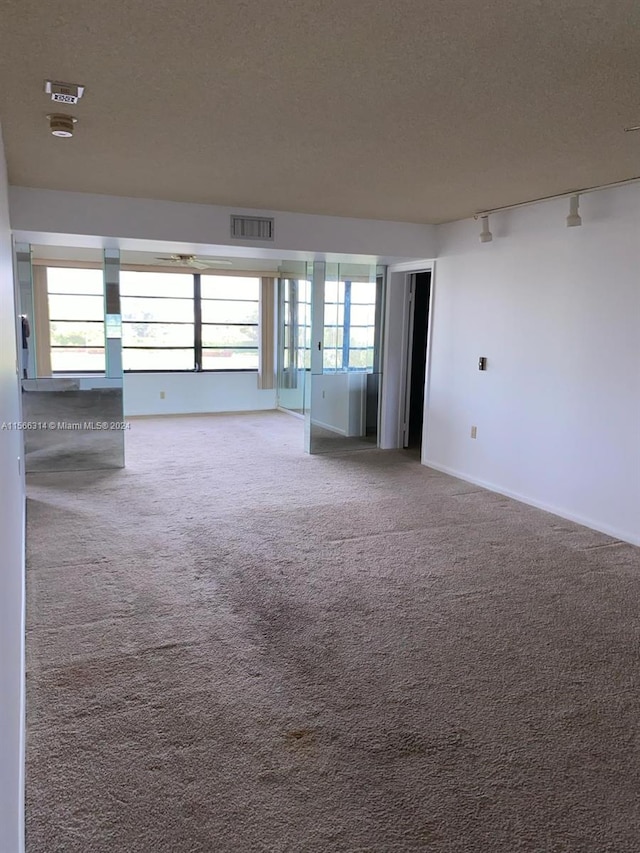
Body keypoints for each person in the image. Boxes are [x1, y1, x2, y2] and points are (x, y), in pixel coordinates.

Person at [20, 314, 30, 379]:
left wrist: (26, 324)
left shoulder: (23, 322)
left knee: (24, 368)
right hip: (17, 346)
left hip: (24, 346)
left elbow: (27, 334)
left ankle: (25, 382)